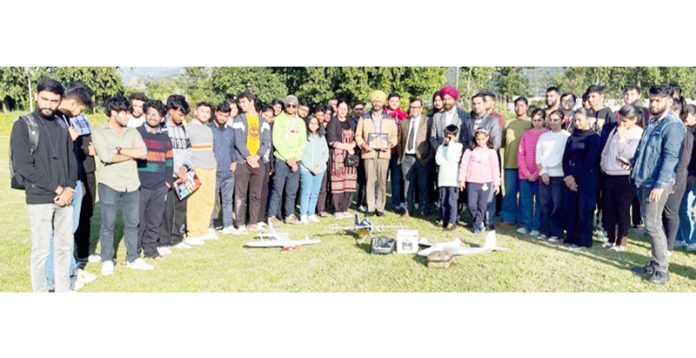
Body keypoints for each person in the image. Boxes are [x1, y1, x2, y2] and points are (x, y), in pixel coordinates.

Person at [11, 78, 76, 292]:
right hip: (39, 197)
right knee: (41, 251)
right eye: (44, 99)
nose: (48, 105)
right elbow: (23, 166)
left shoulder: (61, 122)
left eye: (54, 101)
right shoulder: (23, 125)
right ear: (36, 95)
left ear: (60, 101)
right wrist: (58, 189)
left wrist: (70, 189)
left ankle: (63, 291)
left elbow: (71, 159)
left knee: (64, 250)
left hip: (65, 197)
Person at [630, 85, 686, 284]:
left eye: (658, 100)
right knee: (651, 224)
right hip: (644, 179)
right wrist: (632, 162)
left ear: (670, 101)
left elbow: (670, 158)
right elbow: (645, 149)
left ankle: (662, 270)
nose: (653, 104)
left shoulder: (673, 125)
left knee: (653, 225)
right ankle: (654, 263)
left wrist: (660, 185)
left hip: (657, 183)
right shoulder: (653, 121)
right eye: (651, 100)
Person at [92, 96, 151, 275]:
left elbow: (143, 153)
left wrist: (119, 150)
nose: (128, 116)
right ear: (113, 113)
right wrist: (130, 154)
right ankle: (107, 259)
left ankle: (132, 258)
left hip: (132, 183)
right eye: (125, 112)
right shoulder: (99, 132)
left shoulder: (132, 132)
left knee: (133, 222)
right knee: (108, 224)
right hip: (109, 183)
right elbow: (106, 157)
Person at [599, 105, 643, 252]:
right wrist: (603, 164)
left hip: (625, 177)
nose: (621, 124)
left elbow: (629, 154)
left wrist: (622, 137)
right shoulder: (614, 130)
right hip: (609, 174)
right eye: (620, 120)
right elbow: (606, 149)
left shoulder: (638, 134)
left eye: (625, 121)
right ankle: (610, 238)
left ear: (634, 120)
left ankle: (621, 242)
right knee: (608, 208)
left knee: (622, 209)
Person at [136, 100, 173, 259]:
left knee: (154, 220)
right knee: (138, 221)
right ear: (145, 114)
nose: (153, 117)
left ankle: (150, 250)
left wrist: (167, 182)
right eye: (150, 113)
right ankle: (134, 252)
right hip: (140, 185)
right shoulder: (136, 133)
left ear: (162, 118)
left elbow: (170, 161)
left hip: (159, 186)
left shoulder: (165, 138)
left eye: (156, 114)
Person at [232, 92, 272, 232]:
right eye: (240, 102)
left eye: (243, 102)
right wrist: (249, 157)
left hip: (258, 162)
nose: (241, 105)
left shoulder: (264, 121)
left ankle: (253, 222)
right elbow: (237, 141)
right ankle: (240, 223)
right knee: (240, 194)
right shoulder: (238, 120)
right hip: (243, 162)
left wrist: (257, 156)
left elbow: (266, 142)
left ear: (252, 101)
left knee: (256, 194)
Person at [355, 90, 398, 216]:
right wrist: (363, 145)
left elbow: (395, 136)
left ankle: (380, 208)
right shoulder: (364, 117)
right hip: (369, 153)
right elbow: (358, 135)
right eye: (375, 101)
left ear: (383, 103)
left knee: (382, 181)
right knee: (370, 181)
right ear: (372, 102)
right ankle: (370, 207)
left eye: (379, 101)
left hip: (384, 154)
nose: (377, 103)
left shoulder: (389, 119)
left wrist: (389, 145)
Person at [160, 95, 192, 252]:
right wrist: (173, 171)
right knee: (166, 209)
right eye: (180, 114)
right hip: (167, 175)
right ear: (171, 111)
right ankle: (164, 241)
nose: (182, 117)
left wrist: (185, 167)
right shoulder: (162, 127)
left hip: (182, 175)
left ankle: (177, 238)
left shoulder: (183, 129)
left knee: (180, 207)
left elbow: (188, 151)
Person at [268, 95, 306, 225]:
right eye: (288, 105)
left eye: (294, 105)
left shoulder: (300, 122)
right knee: (277, 189)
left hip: (296, 161)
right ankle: (272, 215)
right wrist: (288, 158)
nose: (291, 107)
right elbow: (276, 140)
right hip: (281, 160)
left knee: (292, 190)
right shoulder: (278, 120)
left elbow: (302, 142)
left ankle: (289, 215)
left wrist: (295, 158)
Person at [184, 102, 218, 244]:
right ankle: (192, 232)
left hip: (211, 167)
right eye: (202, 111)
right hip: (196, 167)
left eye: (207, 112)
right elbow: (186, 150)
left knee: (208, 200)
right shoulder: (188, 128)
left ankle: (203, 229)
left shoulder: (208, 130)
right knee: (194, 201)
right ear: (196, 112)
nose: (204, 114)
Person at [536, 110, 570, 241]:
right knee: (545, 203)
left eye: (556, 120)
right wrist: (543, 172)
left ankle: (557, 232)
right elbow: (539, 156)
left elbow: (565, 156)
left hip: (559, 175)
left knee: (557, 204)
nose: (553, 123)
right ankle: (545, 231)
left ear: (562, 121)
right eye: (551, 120)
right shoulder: (544, 136)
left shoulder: (566, 136)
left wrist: (554, 170)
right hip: (544, 174)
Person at [662, 97, 691, 253]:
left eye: (675, 110)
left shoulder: (685, 132)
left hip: (675, 179)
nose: (671, 113)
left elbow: (683, 161)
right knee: (659, 212)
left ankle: (669, 246)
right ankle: (662, 243)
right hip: (662, 177)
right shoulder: (665, 127)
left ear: (681, 112)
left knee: (670, 212)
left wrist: (675, 181)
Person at [458, 128, 500, 234]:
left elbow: (495, 168)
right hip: (472, 182)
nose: (480, 141)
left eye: (483, 139)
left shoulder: (491, 152)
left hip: (486, 182)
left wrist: (497, 183)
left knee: (482, 205)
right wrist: (462, 179)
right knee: (472, 205)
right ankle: (478, 221)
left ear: (487, 138)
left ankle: (477, 225)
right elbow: (464, 165)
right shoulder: (469, 151)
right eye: (478, 139)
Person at [398, 98, 433, 217]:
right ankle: (408, 209)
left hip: (421, 158)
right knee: (407, 184)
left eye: (417, 107)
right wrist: (401, 157)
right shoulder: (404, 122)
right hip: (406, 158)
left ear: (421, 108)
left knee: (423, 185)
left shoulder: (428, 121)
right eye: (412, 107)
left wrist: (428, 158)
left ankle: (423, 210)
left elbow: (430, 140)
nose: (414, 109)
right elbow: (401, 141)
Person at [500, 96, 532, 226]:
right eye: (517, 105)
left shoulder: (531, 123)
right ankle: (508, 217)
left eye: (522, 105)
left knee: (525, 195)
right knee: (510, 193)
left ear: (527, 107)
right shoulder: (508, 123)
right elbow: (502, 142)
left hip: (526, 165)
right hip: (510, 163)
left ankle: (524, 219)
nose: (519, 108)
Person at [516, 109, 547, 237]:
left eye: (539, 120)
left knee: (540, 201)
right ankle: (526, 224)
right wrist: (527, 173)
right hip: (525, 175)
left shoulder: (547, 134)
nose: (537, 123)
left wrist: (536, 173)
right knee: (525, 200)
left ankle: (536, 226)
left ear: (544, 120)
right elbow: (521, 155)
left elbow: (546, 156)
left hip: (540, 174)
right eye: (534, 120)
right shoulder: (526, 135)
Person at [326, 100, 358, 217]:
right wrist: (347, 147)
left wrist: (352, 146)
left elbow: (356, 137)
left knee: (349, 181)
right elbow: (331, 141)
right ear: (337, 109)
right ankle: (337, 209)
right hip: (337, 157)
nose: (343, 111)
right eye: (341, 108)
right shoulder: (332, 122)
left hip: (350, 157)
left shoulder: (351, 122)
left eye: (345, 109)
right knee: (338, 182)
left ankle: (345, 208)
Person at [210, 101, 237, 234]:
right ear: (216, 113)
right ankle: (209, 226)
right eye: (220, 115)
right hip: (214, 171)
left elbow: (232, 148)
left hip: (228, 170)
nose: (222, 118)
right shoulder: (209, 129)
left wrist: (234, 161)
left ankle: (228, 225)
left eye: (225, 116)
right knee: (211, 200)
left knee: (227, 199)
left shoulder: (231, 131)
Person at [299, 114, 329, 223]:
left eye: (316, 123)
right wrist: (310, 167)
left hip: (319, 169)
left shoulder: (321, 137)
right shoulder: (303, 137)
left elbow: (325, 153)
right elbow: (301, 154)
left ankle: (311, 213)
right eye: (311, 123)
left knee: (315, 192)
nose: (313, 125)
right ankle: (303, 214)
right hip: (306, 169)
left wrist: (319, 166)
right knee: (306, 191)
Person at [435, 125, 463, 231]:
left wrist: (451, 144)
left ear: (455, 137)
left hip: (452, 179)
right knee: (443, 200)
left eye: (450, 137)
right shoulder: (440, 147)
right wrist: (446, 158)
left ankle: (452, 221)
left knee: (452, 201)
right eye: (446, 136)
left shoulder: (458, 146)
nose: (447, 139)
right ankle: (443, 218)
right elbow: (438, 160)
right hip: (443, 178)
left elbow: (452, 157)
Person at [677, 104, 696, 251]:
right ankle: (679, 237)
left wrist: (693, 175)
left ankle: (692, 239)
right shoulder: (682, 130)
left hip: (692, 176)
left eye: (687, 114)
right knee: (677, 207)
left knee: (685, 207)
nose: (685, 116)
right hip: (683, 174)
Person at [430, 85, 472, 151]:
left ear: (454, 99)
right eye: (444, 99)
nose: (446, 102)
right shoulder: (437, 116)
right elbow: (432, 137)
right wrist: (440, 150)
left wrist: (456, 149)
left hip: (457, 155)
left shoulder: (464, 116)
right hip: (440, 155)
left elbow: (467, 138)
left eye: (449, 99)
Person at [385, 93, 408, 212]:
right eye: (392, 101)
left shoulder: (404, 116)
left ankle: (396, 203)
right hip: (383, 150)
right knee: (381, 179)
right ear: (388, 102)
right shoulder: (382, 115)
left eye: (396, 101)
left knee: (396, 179)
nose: (394, 103)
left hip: (397, 152)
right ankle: (378, 202)